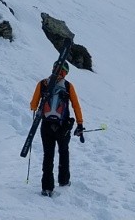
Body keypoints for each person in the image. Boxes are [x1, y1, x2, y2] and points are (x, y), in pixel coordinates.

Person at [29, 60, 85, 196]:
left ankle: (47, 187)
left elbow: (33, 105)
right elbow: (76, 106)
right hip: (62, 126)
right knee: (63, 152)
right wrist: (80, 124)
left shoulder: (43, 84)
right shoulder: (68, 86)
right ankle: (64, 180)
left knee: (48, 155)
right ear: (65, 73)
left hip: (46, 125)